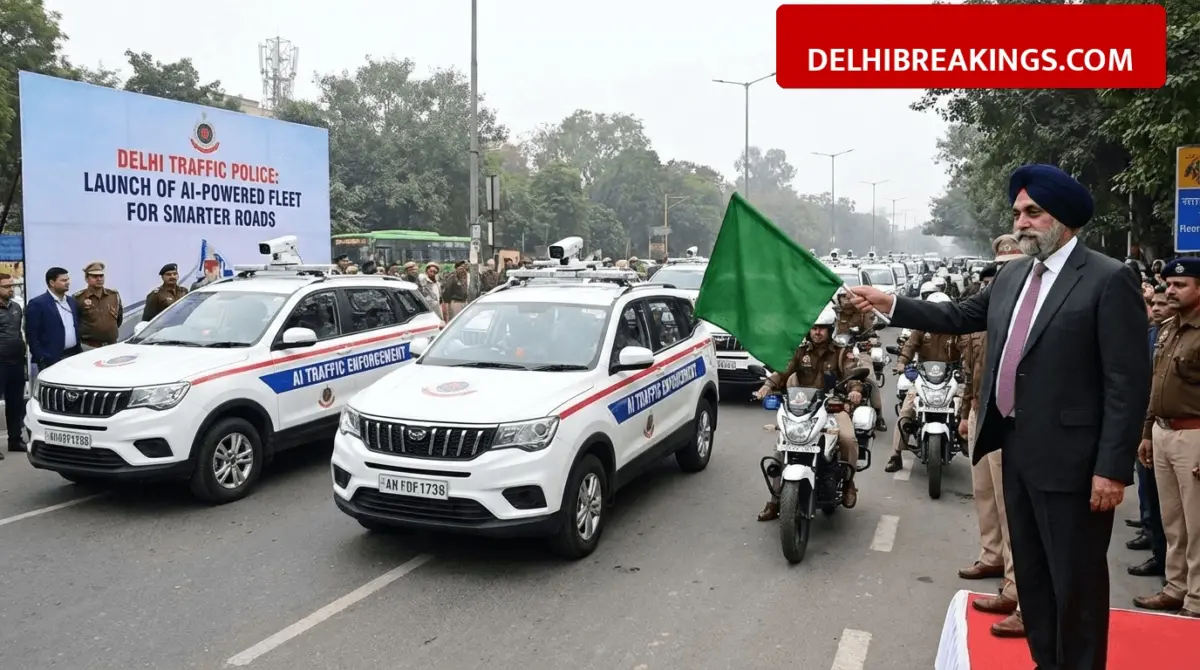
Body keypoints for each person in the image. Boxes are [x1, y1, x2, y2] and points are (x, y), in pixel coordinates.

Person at [847, 164, 1149, 670]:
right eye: (1017, 213)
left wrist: (1112, 468)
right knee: (1032, 578)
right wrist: (891, 303)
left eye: (1033, 212)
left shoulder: (1107, 278)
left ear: (1064, 220)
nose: (1021, 222)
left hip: (1075, 465)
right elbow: (957, 316)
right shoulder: (1013, 276)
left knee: (1075, 584)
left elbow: (1127, 382)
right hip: (1017, 451)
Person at [752, 306, 865, 519]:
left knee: (848, 439)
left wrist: (855, 390)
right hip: (803, 409)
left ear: (830, 329)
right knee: (782, 446)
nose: (817, 332)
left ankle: (849, 484)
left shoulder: (841, 352)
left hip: (832, 407)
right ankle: (775, 501)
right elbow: (783, 370)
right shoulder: (801, 351)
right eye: (814, 328)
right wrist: (767, 385)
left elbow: (852, 374)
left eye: (822, 328)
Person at [1135, 257, 1200, 617]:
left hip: (1194, 436)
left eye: (1180, 285)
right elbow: (1155, 384)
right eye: (1169, 285)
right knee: (1172, 520)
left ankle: (1197, 598)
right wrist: (1147, 433)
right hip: (1163, 432)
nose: (1171, 291)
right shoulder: (1168, 328)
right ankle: (1176, 587)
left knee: (1197, 522)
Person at [885, 291, 961, 474]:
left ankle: (968, 446)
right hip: (925, 377)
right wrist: (902, 362)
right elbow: (910, 346)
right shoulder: (920, 328)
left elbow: (967, 350)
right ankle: (896, 455)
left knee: (965, 411)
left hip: (950, 377)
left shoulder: (958, 329)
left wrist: (968, 368)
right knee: (906, 410)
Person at [1127, 285, 1172, 578]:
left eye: (1161, 303)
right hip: (1153, 423)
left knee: (1180, 515)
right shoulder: (1159, 334)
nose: (1156, 308)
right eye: (1153, 303)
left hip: (1184, 430)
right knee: (1154, 493)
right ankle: (1160, 552)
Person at [833, 291, 886, 431]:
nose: (846, 300)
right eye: (843, 296)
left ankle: (879, 415)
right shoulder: (833, 313)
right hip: (836, 351)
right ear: (838, 298)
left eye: (849, 296)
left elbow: (871, 331)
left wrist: (870, 339)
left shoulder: (862, 312)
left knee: (870, 378)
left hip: (858, 350)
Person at [27, 267, 82, 372]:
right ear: (52, 283)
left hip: (74, 355)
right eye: (63, 280)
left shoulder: (71, 301)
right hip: (51, 359)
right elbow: (32, 335)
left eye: (68, 279)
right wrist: (41, 357)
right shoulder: (38, 303)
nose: (68, 283)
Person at [0, 273, 25, 459]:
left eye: (12, 285)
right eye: (7, 286)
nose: (11, 289)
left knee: (16, 403)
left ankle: (15, 440)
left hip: (16, 361)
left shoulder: (16, 307)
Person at [73, 261, 123, 350]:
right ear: (86, 279)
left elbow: (119, 318)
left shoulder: (113, 295)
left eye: (101, 276)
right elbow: (75, 323)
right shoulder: (78, 298)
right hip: (90, 347)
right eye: (94, 276)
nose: (99, 279)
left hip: (112, 345)